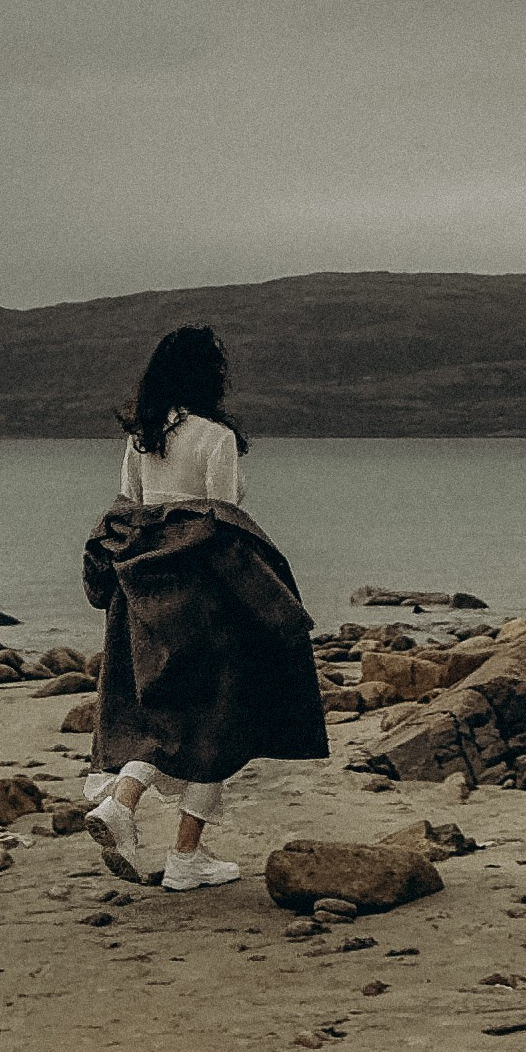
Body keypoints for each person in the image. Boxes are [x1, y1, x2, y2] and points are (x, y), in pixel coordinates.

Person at [82, 321, 327, 891]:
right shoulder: (214, 437)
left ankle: (125, 804)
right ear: (208, 376)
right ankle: (181, 850)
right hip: (204, 591)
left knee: (167, 714)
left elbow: (132, 509)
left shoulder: (141, 439)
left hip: (144, 590)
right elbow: (221, 519)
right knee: (219, 719)